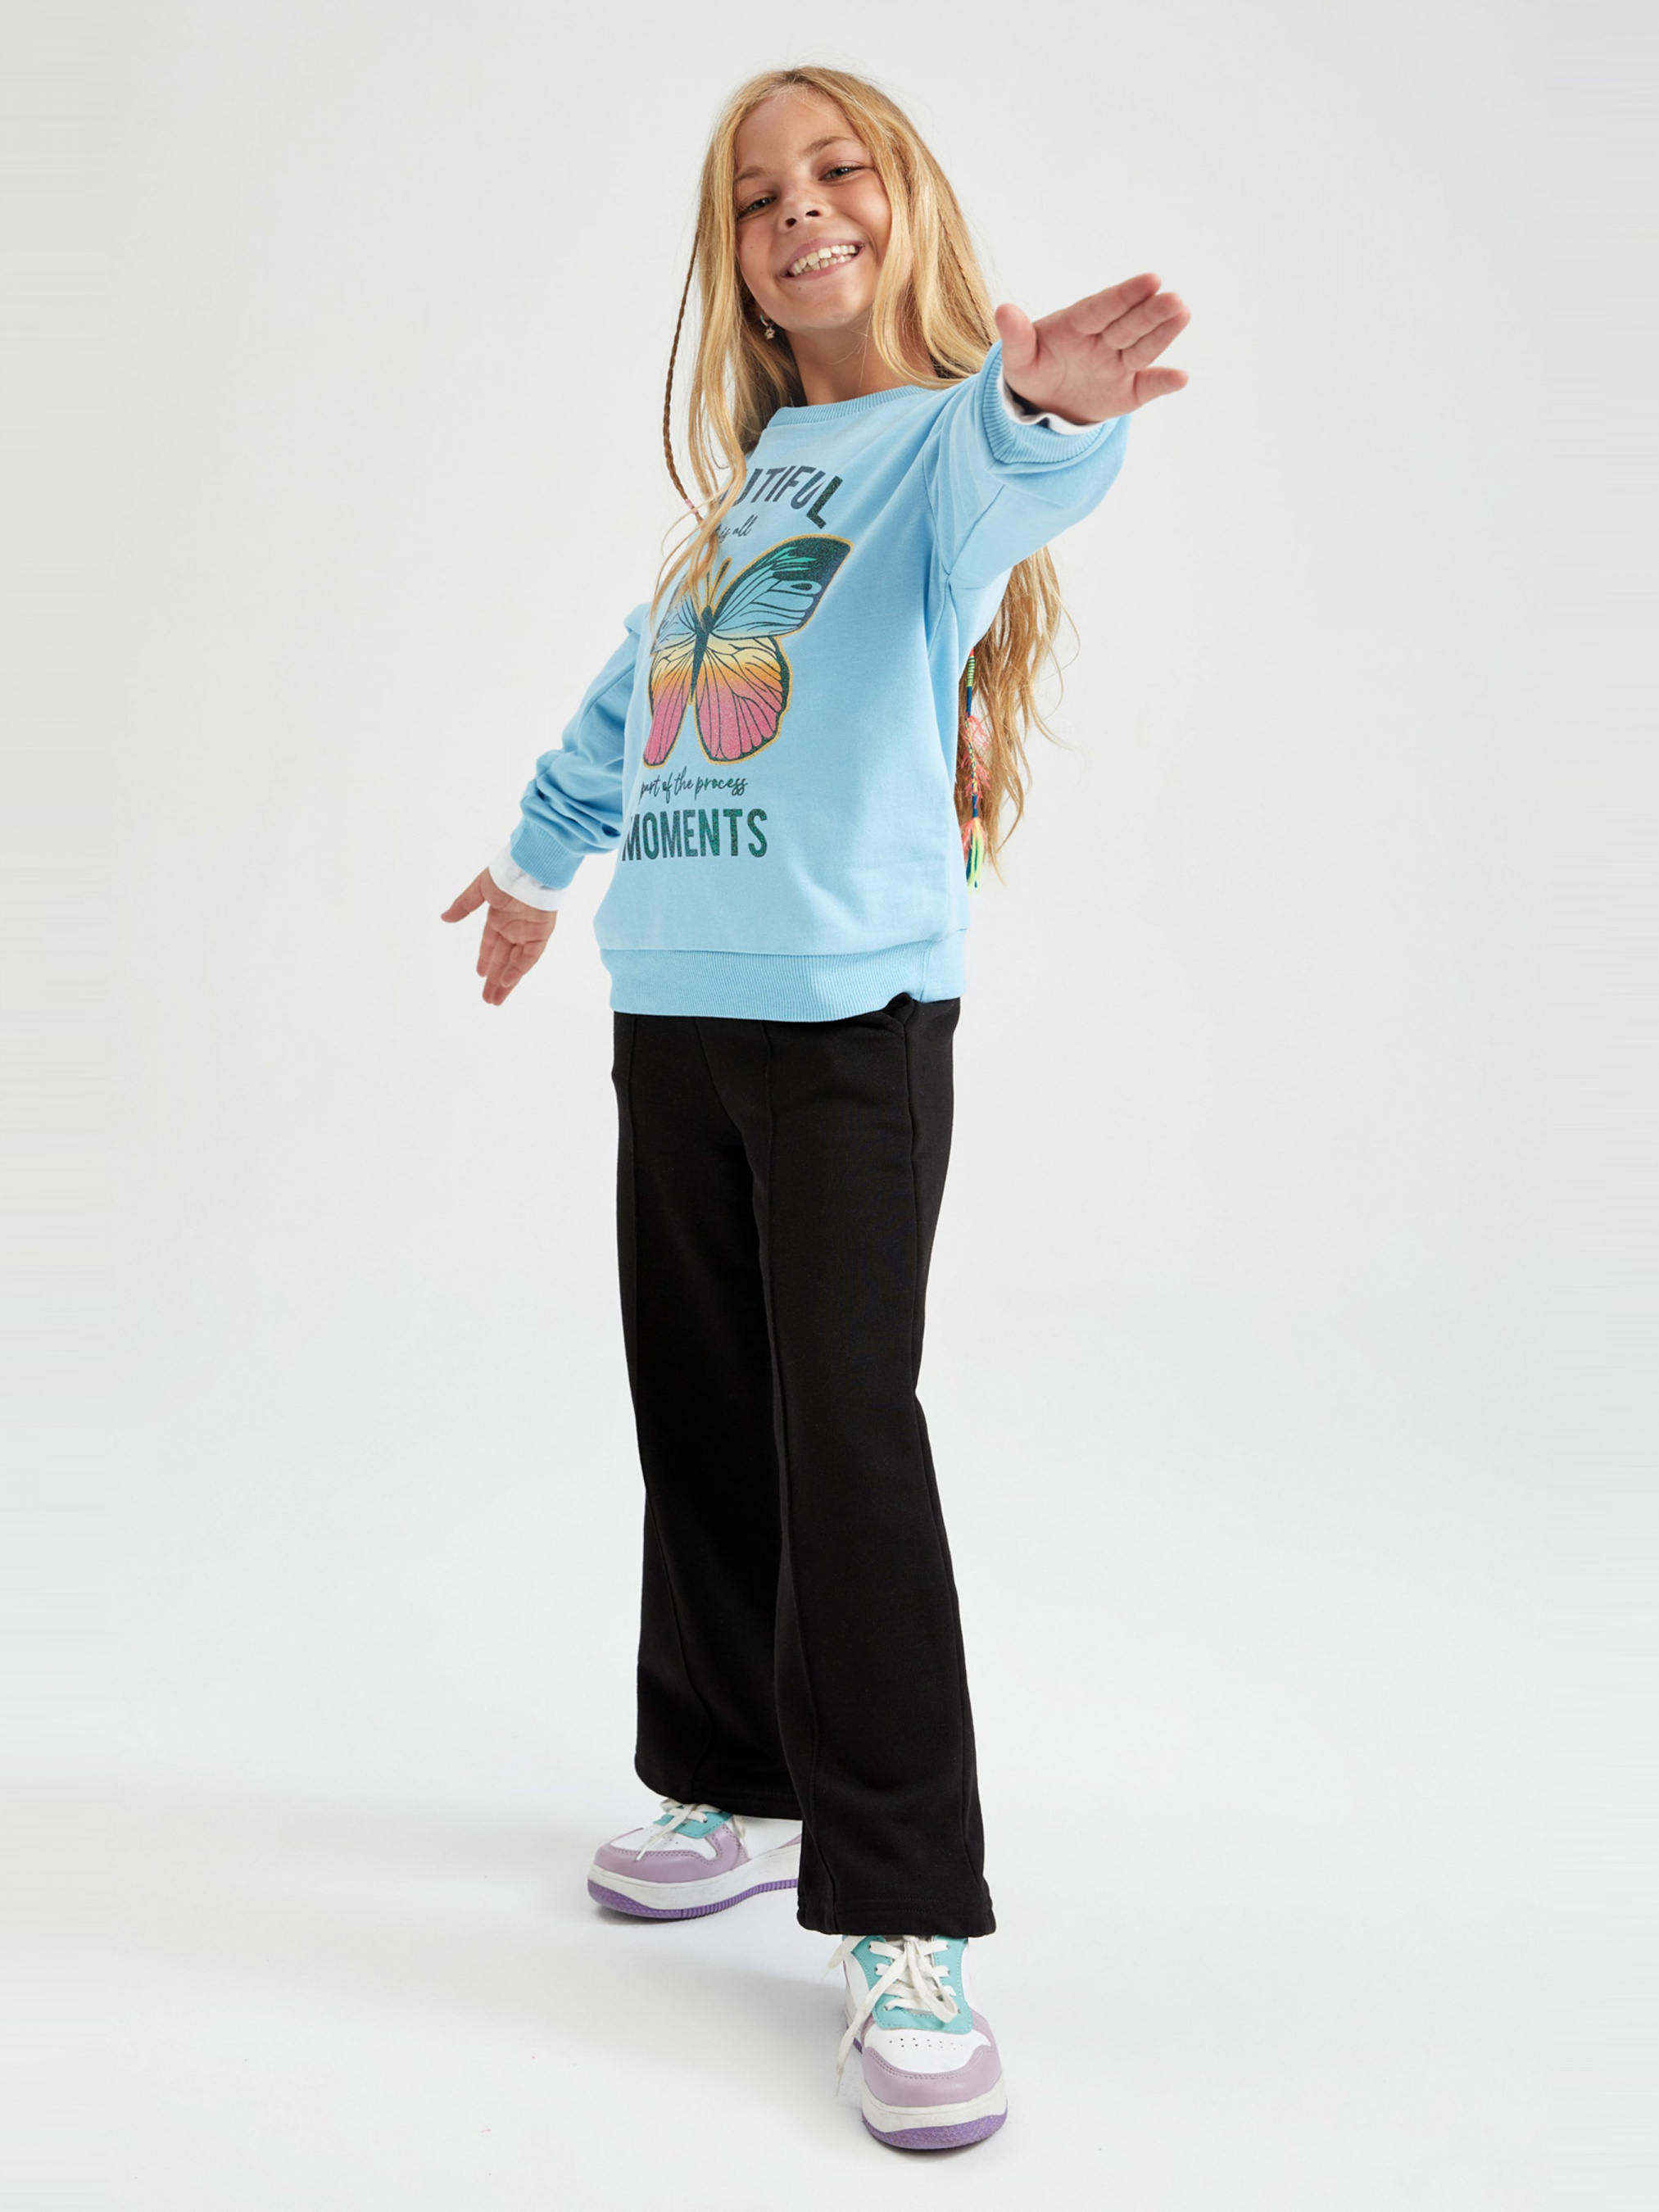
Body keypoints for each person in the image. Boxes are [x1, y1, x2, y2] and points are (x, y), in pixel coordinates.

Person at [442, 62, 1189, 2151]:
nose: (799, 212)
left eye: (834, 171)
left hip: (851, 1025)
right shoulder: (753, 485)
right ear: (735, 262)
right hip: (673, 1009)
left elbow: (1020, 473)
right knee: (695, 1402)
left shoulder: (940, 442)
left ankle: (902, 1910)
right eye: (758, 196)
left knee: (842, 1436)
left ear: (901, 203)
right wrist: (533, 868)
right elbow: (638, 688)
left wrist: (1047, 410)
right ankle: (726, 1775)